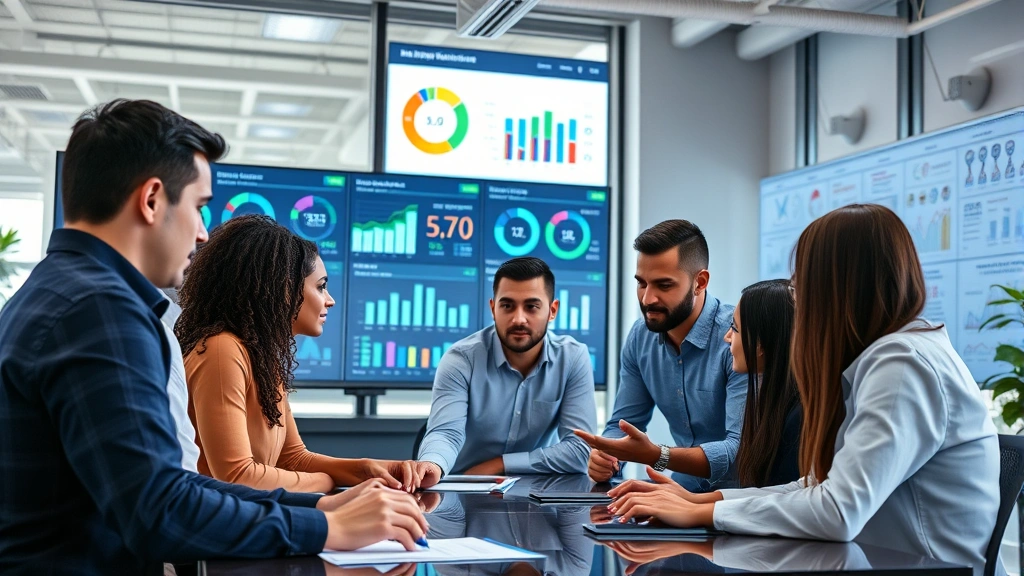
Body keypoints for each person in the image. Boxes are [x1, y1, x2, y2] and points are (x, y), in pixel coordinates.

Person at [0, 99, 427, 575]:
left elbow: (165, 486)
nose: (203, 234)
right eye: (199, 207)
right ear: (152, 200)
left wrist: (319, 509)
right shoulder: (101, 312)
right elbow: (158, 511)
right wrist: (328, 528)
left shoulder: (60, 291)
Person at [608, 205, 1000, 575]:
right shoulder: (882, 359)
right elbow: (814, 487)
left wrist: (700, 513)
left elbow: (837, 512)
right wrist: (697, 501)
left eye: (801, 285)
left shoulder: (903, 363)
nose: (796, 299)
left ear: (838, 288)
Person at [177, 215, 436, 493]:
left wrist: (371, 469)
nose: (330, 300)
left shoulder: (262, 358)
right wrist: (326, 481)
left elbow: (292, 459)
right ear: (282, 289)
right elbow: (237, 476)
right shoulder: (222, 350)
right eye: (321, 286)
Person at [574, 220, 746, 492]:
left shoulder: (737, 338)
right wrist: (606, 455)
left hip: (741, 501)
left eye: (663, 285)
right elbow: (622, 424)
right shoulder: (641, 337)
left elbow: (740, 452)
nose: (647, 299)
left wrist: (658, 455)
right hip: (679, 492)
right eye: (642, 284)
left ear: (699, 282)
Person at [417, 257, 596, 477]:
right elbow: (446, 433)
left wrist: (500, 465)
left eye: (531, 307)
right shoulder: (461, 359)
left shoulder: (573, 358)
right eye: (507, 306)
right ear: (493, 308)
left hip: (537, 493)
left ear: (552, 310)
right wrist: (433, 464)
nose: (518, 319)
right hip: (464, 493)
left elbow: (580, 449)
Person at [725, 279, 801, 487]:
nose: (727, 337)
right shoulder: (775, 402)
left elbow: (782, 501)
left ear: (760, 344)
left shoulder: (797, 419)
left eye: (735, 328)